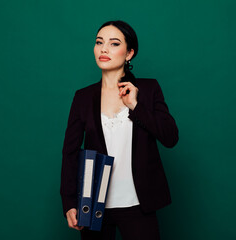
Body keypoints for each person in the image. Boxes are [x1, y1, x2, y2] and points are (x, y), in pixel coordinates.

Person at [60, 20, 179, 240]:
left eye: (114, 44)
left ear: (129, 53)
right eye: (99, 42)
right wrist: (69, 202)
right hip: (94, 206)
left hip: (138, 205)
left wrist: (136, 105)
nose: (104, 49)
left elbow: (170, 137)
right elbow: (70, 153)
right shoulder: (83, 98)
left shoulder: (148, 89)